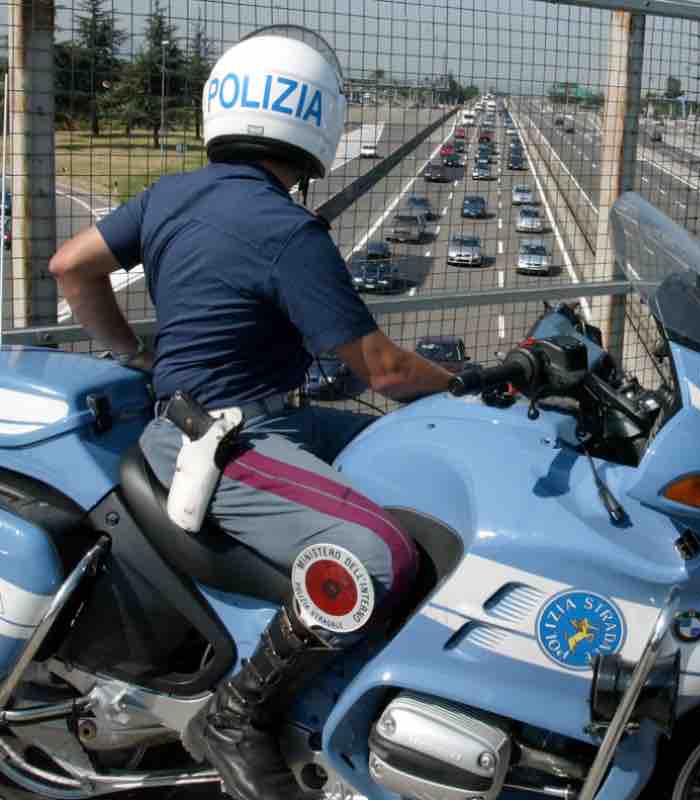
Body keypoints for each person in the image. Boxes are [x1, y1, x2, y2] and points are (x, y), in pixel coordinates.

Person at [48, 32, 452, 800]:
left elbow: (71, 266)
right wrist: (473, 385)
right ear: (316, 124)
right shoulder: (289, 233)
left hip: (220, 419)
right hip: (229, 439)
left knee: (406, 449)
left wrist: (131, 351)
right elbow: (385, 370)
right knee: (380, 556)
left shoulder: (171, 193)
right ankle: (240, 715)